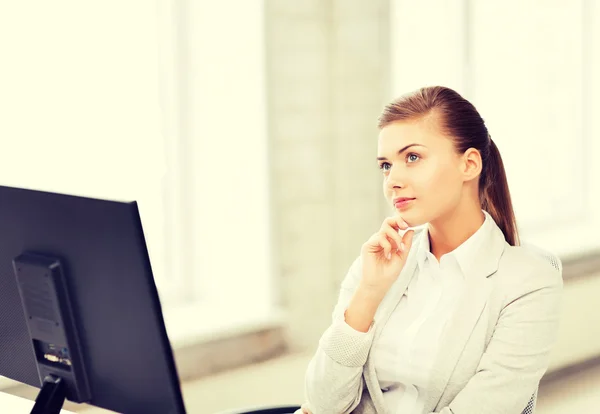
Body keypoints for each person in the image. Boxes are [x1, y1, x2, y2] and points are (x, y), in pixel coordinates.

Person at [296, 86, 563, 414]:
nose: (392, 180)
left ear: (469, 165)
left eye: (412, 157)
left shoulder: (529, 281)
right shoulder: (378, 263)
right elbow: (322, 403)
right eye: (385, 165)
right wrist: (367, 294)